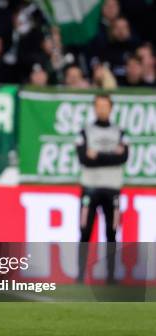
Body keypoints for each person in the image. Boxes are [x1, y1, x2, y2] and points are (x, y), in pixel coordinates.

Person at [75, 94, 128, 283]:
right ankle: (80, 275)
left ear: (111, 108)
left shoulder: (120, 132)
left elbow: (123, 158)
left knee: (112, 233)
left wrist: (96, 155)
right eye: (99, 106)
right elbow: (83, 159)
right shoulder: (85, 131)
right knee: (85, 231)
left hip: (112, 188)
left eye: (105, 106)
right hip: (90, 187)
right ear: (94, 108)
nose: (102, 109)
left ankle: (111, 276)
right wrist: (110, 155)